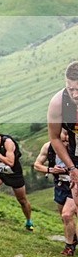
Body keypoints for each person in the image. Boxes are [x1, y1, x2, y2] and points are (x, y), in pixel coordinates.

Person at [33, 128, 77, 255]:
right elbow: (37, 165)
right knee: (64, 218)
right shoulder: (49, 147)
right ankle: (73, 239)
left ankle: (69, 247)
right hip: (59, 185)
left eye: (68, 141)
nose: (65, 145)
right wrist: (50, 169)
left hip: (74, 185)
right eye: (62, 141)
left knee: (66, 215)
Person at [0, 125, 33, 230]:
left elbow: (10, 162)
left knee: (22, 200)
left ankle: (29, 222)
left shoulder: (8, 143)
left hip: (13, 172)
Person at [47, 61, 78, 201]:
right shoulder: (58, 103)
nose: (75, 94)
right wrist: (71, 167)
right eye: (70, 89)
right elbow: (54, 137)